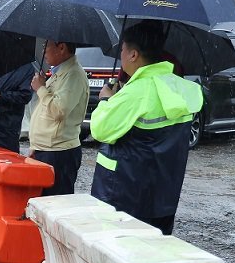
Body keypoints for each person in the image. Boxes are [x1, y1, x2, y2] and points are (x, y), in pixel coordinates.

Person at [90, 20, 202, 235]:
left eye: (122, 49)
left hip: (124, 195)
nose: (120, 54)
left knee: (121, 258)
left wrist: (106, 100)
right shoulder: (181, 88)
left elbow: (100, 129)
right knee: (154, 256)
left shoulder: (136, 92)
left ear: (133, 55)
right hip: (163, 196)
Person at [28, 38, 88, 195]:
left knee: (53, 204)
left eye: (46, 46)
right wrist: (36, 146)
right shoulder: (60, 73)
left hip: (59, 153)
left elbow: (58, 111)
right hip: (47, 150)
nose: (43, 51)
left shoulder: (73, 75)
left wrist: (41, 88)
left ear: (61, 48)